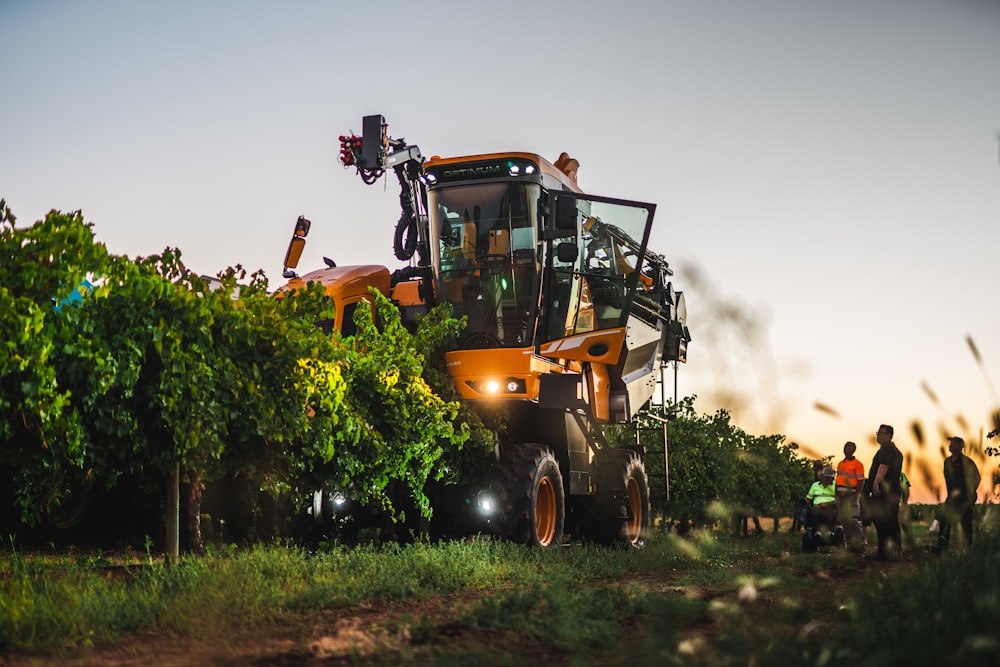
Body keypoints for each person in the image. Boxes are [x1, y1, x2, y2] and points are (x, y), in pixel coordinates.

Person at [863, 424, 904, 561]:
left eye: (881, 433)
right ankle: (886, 552)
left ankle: (891, 553)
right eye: (878, 432)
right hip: (890, 492)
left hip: (885, 492)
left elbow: (883, 467)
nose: (878, 435)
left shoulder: (887, 448)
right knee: (885, 521)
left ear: (888, 435)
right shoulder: (895, 451)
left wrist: (875, 483)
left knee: (887, 521)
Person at [936, 436, 981, 554]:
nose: (950, 445)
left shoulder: (967, 462)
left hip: (965, 498)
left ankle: (967, 550)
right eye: (950, 443)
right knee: (945, 521)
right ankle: (942, 549)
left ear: (961, 446)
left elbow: (977, 478)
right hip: (951, 498)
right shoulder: (947, 462)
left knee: (966, 524)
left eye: (954, 443)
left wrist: (968, 494)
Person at [835, 441, 866, 553]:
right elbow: (837, 480)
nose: (845, 448)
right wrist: (835, 496)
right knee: (845, 522)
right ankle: (850, 545)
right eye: (845, 446)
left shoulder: (858, 464)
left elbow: (861, 482)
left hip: (851, 496)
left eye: (848, 446)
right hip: (840, 497)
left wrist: (856, 496)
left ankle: (860, 545)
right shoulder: (840, 464)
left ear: (853, 449)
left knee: (854, 521)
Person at [805, 466, 838, 532]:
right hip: (816, 507)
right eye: (827, 478)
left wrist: (826, 504)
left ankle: (828, 532)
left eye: (830, 478)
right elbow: (808, 499)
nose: (829, 480)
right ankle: (815, 532)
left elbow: (839, 500)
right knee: (813, 512)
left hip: (830, 507)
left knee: (827, 514)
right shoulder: (815, 485)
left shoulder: (835, 485)